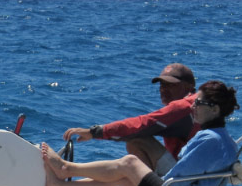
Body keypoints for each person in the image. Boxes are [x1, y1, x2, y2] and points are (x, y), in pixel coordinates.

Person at [43, 80, 239, 186]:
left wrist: (150, 177)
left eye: (198, 104)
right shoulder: (220, 137)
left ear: (214, 110)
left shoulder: (210, 140)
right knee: (123, 179)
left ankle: (66, 168)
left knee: (129, 163)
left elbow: (177, 181)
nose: (193, 107)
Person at [63, 63, 198, 175]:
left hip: (186, 182)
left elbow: (141, 124)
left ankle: (68, 170)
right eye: (162, 85)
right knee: (131, 161)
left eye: (170, 85)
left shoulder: (183, 108)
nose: (163, 89)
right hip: (195, 177)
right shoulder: (197, 104)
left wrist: (94, 132)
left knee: (137, 141)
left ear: (188, 87)